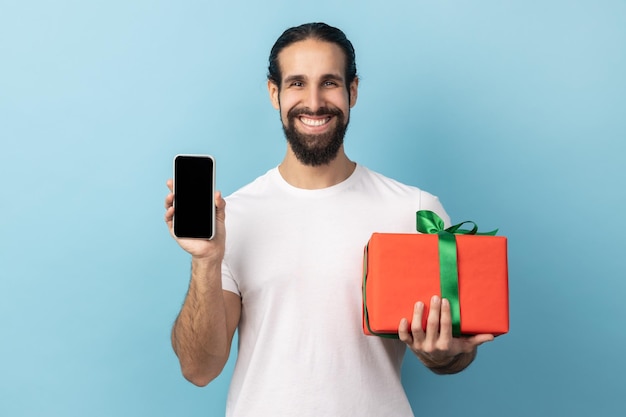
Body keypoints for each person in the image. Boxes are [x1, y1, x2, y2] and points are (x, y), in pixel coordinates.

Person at [164, 22, 494, 417]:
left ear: (352, 90)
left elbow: (455, 357)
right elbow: (199, 369)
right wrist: (206, 260)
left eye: (330, 83)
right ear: (275, 93)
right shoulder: (234, 218)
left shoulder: (415, 210)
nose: (315, 101)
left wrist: (441, 354)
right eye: (297, 83)